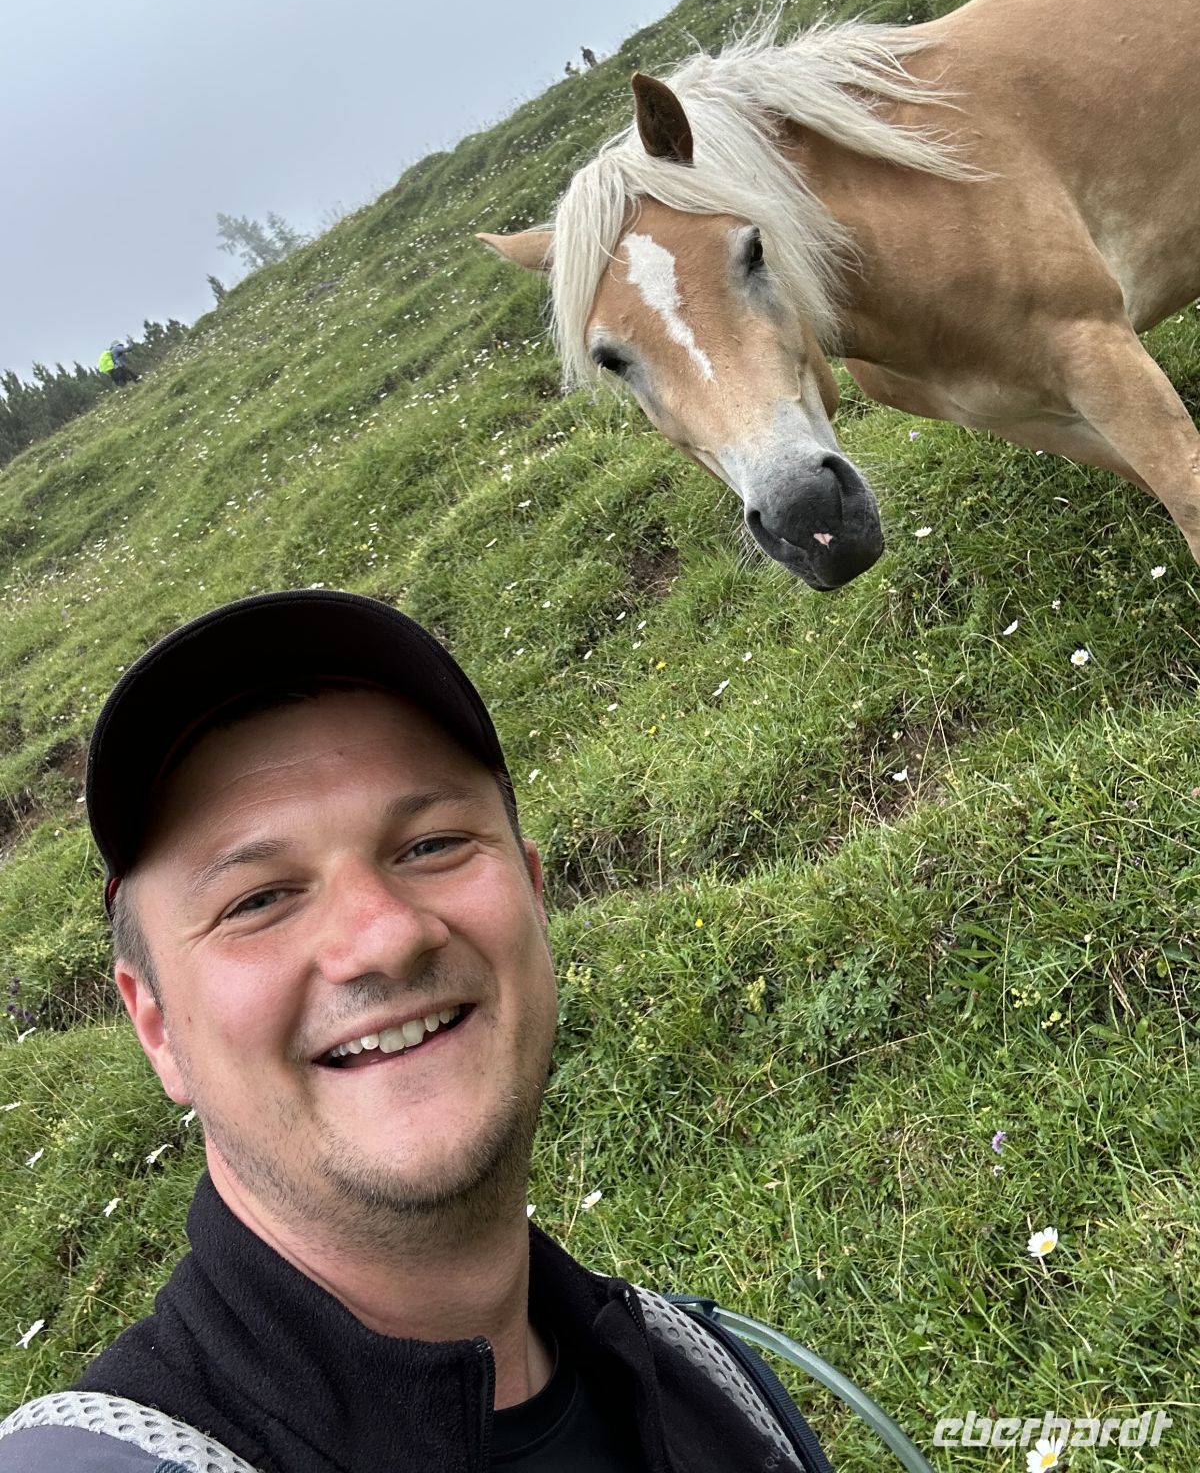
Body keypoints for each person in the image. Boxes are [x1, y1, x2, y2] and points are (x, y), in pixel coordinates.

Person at [0, 589, 829, 1473]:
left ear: (535, 898)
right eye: (259, 899)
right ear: (157, 1027)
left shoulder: (706, 1371)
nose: (386, 937)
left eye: (431, 845)